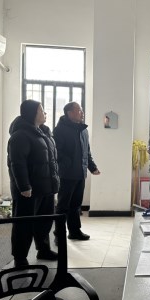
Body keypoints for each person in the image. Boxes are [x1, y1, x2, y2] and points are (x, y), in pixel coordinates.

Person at [7, 100, 59, 267]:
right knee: (24, 225)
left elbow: (50, 161)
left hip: (45, 188)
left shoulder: (43, 133)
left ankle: (43, 249)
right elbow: (17, 163)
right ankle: (20, 257)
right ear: (32, 113)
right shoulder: (20, 135)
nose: (44, 113)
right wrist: (24, 186)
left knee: (45, 222)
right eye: (41, 110)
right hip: (29, 190)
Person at [53, 102, 100, 241]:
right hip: (66, 175)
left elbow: (87, 152)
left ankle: (74, 231)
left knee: (75, 205)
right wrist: (68, 163)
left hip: (80, 174)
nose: (82, 113)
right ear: (70, 113)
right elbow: (57, 152)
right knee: (63, 206)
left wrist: (92, 167)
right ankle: (58, 235)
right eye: (79, 110)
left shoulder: (83, 130)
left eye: (82, 110)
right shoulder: (60, 130)